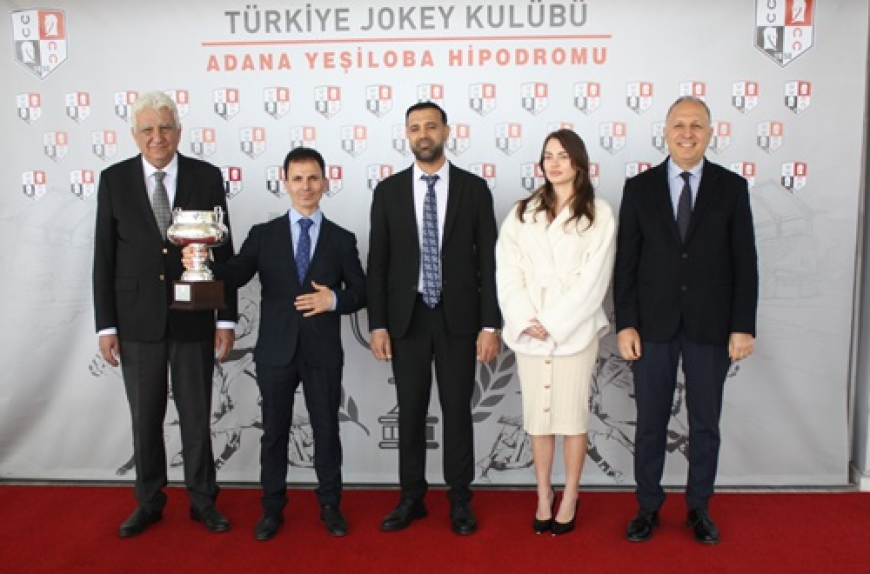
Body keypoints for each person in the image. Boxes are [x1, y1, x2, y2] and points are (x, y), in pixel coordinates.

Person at [184, 147, 366, 540]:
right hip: (275, 352)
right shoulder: (263, 235)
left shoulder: (341, 239)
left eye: (313, 178)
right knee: (274, 433)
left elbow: (361, 292)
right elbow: (234, 274)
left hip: (321, 352)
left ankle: (330, 505)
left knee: (326, 431)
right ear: (285, 182)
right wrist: (201, 261)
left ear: (325, 182)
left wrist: (333, 299)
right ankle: (271, 508)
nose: (306, 186)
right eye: (298, 178)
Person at [613, 96, 758, 545]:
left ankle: (699, 507)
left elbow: (745, 262)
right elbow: (626, 264)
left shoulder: (731, 188)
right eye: (679, 124)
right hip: (652, 326)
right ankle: (647, 507)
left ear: (710, 133)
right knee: (650, 422)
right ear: (666, 131)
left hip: (711, 327)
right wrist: (625, 323)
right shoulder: (639, 189)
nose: (687, 133)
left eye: (697, 125)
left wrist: (743, 325)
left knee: (705, 424)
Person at [92, 91, 237, 538]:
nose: (158, 137)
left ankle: (203, 500)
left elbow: (224, 251)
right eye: (148, 129)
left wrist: (226, 319)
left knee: (196, 417)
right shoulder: (114, 180)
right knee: (145, 418)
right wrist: (106, 325)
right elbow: (103, 257)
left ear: (179, 130)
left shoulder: (205, 176)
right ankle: (149, 501)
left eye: (166, 127)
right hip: (136, 322)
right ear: (134, 134)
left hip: (194, 317)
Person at [367, 101, 502, 536]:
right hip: (407, 321)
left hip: (458, 319)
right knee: (410, 411)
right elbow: (378, 264)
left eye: (430, 126)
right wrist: (378, 324)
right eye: (414, 128)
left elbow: (489, 262)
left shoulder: (473, 189)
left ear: (446, 130)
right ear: (407, 135)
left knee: (457, 410)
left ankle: (460, 500)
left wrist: (490, 325)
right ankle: (411, 498)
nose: (422, 134)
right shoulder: (388, 192)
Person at [496, 129, 616, 536]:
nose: (555, 163)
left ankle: (571, 495)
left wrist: (553, 322)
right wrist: (524, 318)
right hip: (528, 331)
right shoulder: (521, 213)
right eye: (548, 156)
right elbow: (507, 271)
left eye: (563, 155)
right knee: (539, 419)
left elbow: (593, 281)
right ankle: (544, 494)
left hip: (575, 330)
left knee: (572, 416)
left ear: (578, 162)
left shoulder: (599, 213)